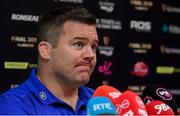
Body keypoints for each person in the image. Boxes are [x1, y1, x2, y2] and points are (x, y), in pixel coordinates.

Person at [0, 5, 99, 115]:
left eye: (93, 46)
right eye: (79, 44)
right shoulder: (12, 106)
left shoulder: (102, 103)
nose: (90, 54)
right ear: (45, 51)